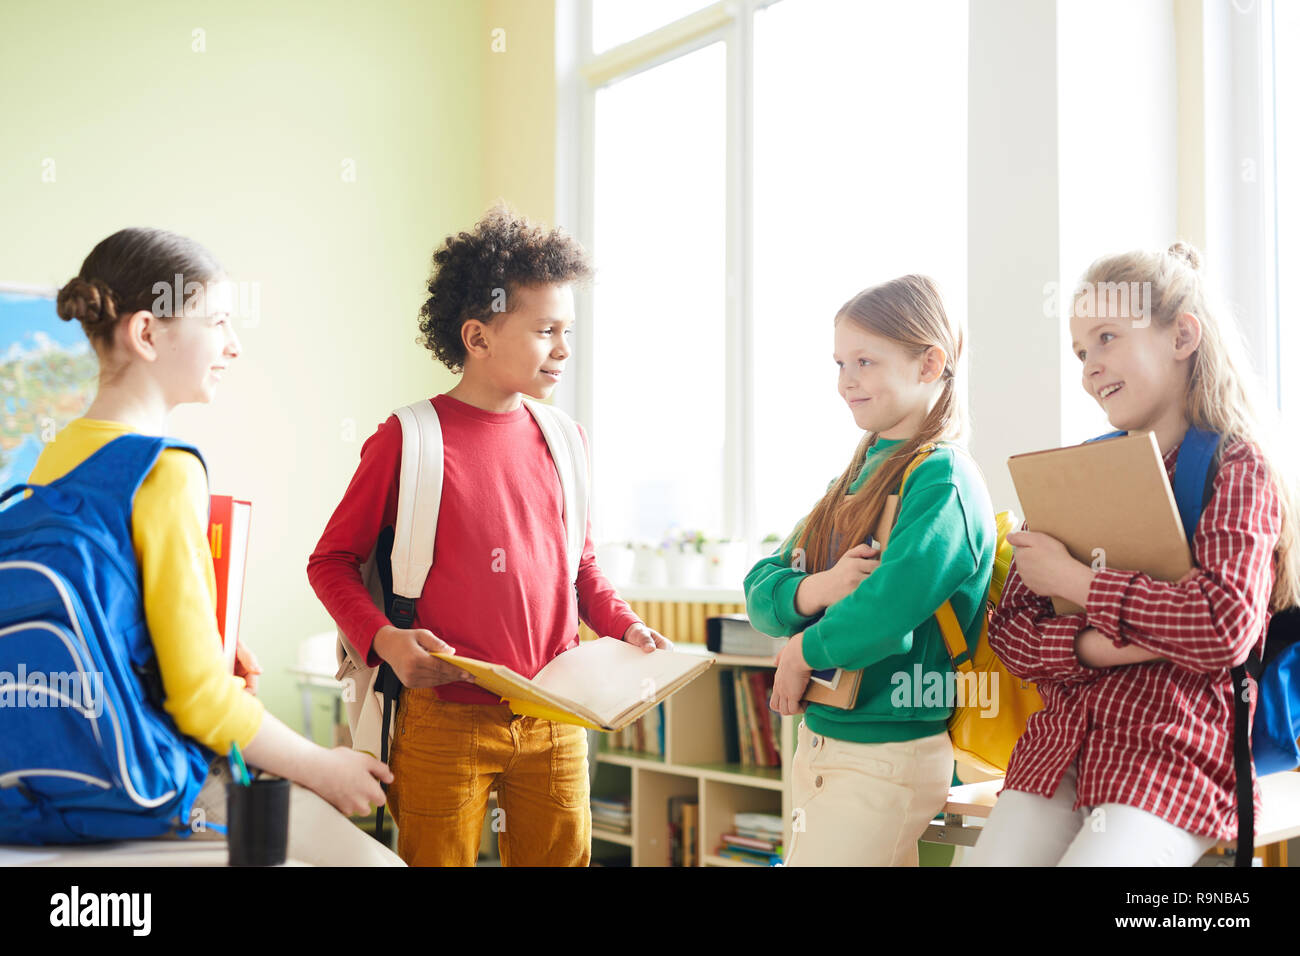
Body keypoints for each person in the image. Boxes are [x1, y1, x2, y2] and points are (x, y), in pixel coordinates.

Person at [308, 205, 670, 866]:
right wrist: (384, 639)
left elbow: (578, 566)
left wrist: (625, 628)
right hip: (441, 718)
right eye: (545, 331)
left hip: (557, 718)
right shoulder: (409, 439)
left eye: (568, 330)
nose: (563, 348)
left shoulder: (566, 439)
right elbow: (331, 561)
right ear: (477, 337)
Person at [25, 227, 401, 865]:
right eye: (218, 321)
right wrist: (324, 767)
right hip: (156, 774)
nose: (233, 344)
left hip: (65, 767)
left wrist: (207, 638)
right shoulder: (166, 470)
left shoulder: (54, 457)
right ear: (147, 334)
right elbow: (200, 700)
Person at [967, 242, 1299, 866]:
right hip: (1059, 751)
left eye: (1107, 338)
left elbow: (1224, 627)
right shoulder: (1081, 471)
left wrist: (1080, 585)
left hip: (1174, 753)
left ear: (1182, 337)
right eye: (1081, 352)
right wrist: (1111, 644)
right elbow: (1011, 632)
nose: (1090, 366)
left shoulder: (1236, 466)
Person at [744, 274, 995, 866]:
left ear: (929, 363)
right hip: (823, 740)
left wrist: (801, 651)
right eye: (839, 363)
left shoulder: (943, 479)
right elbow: (760, 587)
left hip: (889, 752)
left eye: (865, 361)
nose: (845, 381)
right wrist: (819, 587)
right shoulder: (855, 477)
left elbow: (887, 613)